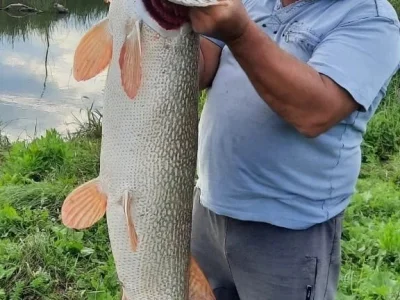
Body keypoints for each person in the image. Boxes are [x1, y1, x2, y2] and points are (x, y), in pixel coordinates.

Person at [187, 0, 400, 299]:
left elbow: (313, 112)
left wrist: (240, 33)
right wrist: (160, 20)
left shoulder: (371, 18)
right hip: (208, 210)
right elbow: (198, 68)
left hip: (288, 234)